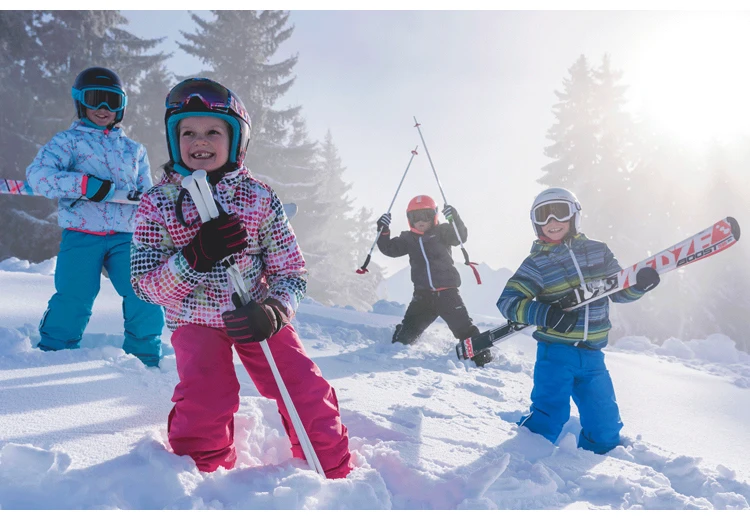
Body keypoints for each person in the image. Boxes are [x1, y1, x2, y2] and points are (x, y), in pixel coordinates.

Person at [129, 78, 353, 478]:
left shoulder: (259, 197)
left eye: (213, 131)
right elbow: (144, 284)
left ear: (235, 141)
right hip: (194, 320)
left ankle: (331, 472)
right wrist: (194, 257)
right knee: (206, 397)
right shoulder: (157, 202)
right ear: (173, 138)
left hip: (253, 314)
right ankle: (202, 478)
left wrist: (274, 310)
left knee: (302, 384)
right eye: (188, 132)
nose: (200, 140)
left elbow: (292, 271)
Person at [497, 187, 661, 454]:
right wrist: (546, 314)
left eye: (559, 212)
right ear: (535, 222)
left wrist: (638, 286)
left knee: (606, 428)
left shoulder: (598, 252)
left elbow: (619, 293)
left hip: (593, 357)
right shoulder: (536, 263)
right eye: (543, 215)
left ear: (574, 215)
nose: (551, 222)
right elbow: (508, 302)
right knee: (547, 419)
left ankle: (591, 474)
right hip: (555, 354)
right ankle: (519, 464)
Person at [26, 66, 164, 367]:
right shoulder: (67, 142)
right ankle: (54, 353)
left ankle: (144, 358)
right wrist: (84, 185)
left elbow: (147, 194)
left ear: (122, 106)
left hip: (126, 237)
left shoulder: (134, 151)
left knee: (143, 291)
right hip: (81, 234)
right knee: (74, 296)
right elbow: (38, 176)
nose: (103, 109)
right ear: (80, 102)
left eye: (111, 101)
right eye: (94, 99)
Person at [376, 195, 492, 367]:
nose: (421, 221)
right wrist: (383, 230)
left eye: (426, 216)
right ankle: (402, 336)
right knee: (406, 336)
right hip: (423, 296)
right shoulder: (408, 239)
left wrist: (454, 217)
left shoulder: (443, 232)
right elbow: (389, 249)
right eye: (416, 217)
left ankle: (481, 354)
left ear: (434, 217)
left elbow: (460, 236)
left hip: (447, 294)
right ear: (410, 219)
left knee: (463, 327)